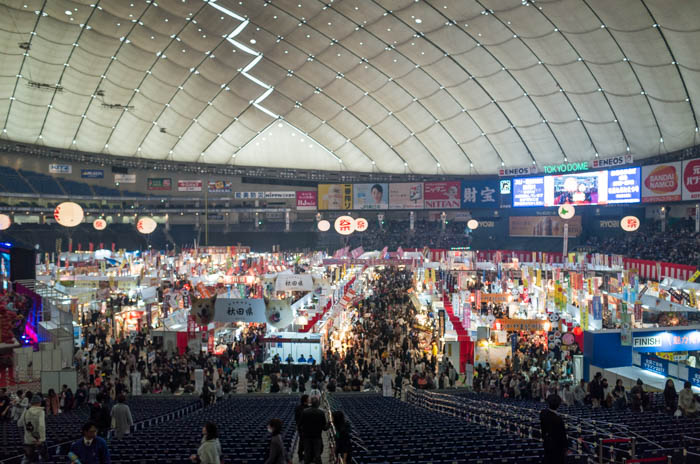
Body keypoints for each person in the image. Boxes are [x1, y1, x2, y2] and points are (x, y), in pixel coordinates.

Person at [540, 394, 568, 464]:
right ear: (558, 405)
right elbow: (562, 435)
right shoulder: (558, 419)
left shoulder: (543, 413)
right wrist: (565, 447)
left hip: (547, 443)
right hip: (557, 447)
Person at [18, 395, 46, 463]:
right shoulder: (40, 411)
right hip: (37, 441)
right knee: (39, 460)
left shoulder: (26, 411)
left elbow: (19, 424)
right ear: (39, 402)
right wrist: (42, 439)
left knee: (29, 460)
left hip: (27, 441)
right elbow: (41, 426)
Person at [300, 396, 328, 464]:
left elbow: (300, 424)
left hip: (306, 436)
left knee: (307, 455)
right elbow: (324, 428)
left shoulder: (305, 411)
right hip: (317, 437)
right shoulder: (321, 413)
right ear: (318, 403)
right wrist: (329, 424)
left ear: (311, 403)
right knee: (317, 455)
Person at [295, 395, 309, 462]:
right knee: (302, 443)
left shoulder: (308, 407)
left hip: (306, 428)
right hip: (302, 428)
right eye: (308, 399)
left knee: (306, 443)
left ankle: (306, 456)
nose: (309, 400)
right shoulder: (299, 408)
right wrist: (298, 426)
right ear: (305, 400)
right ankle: (301, 456)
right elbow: (296, 418)